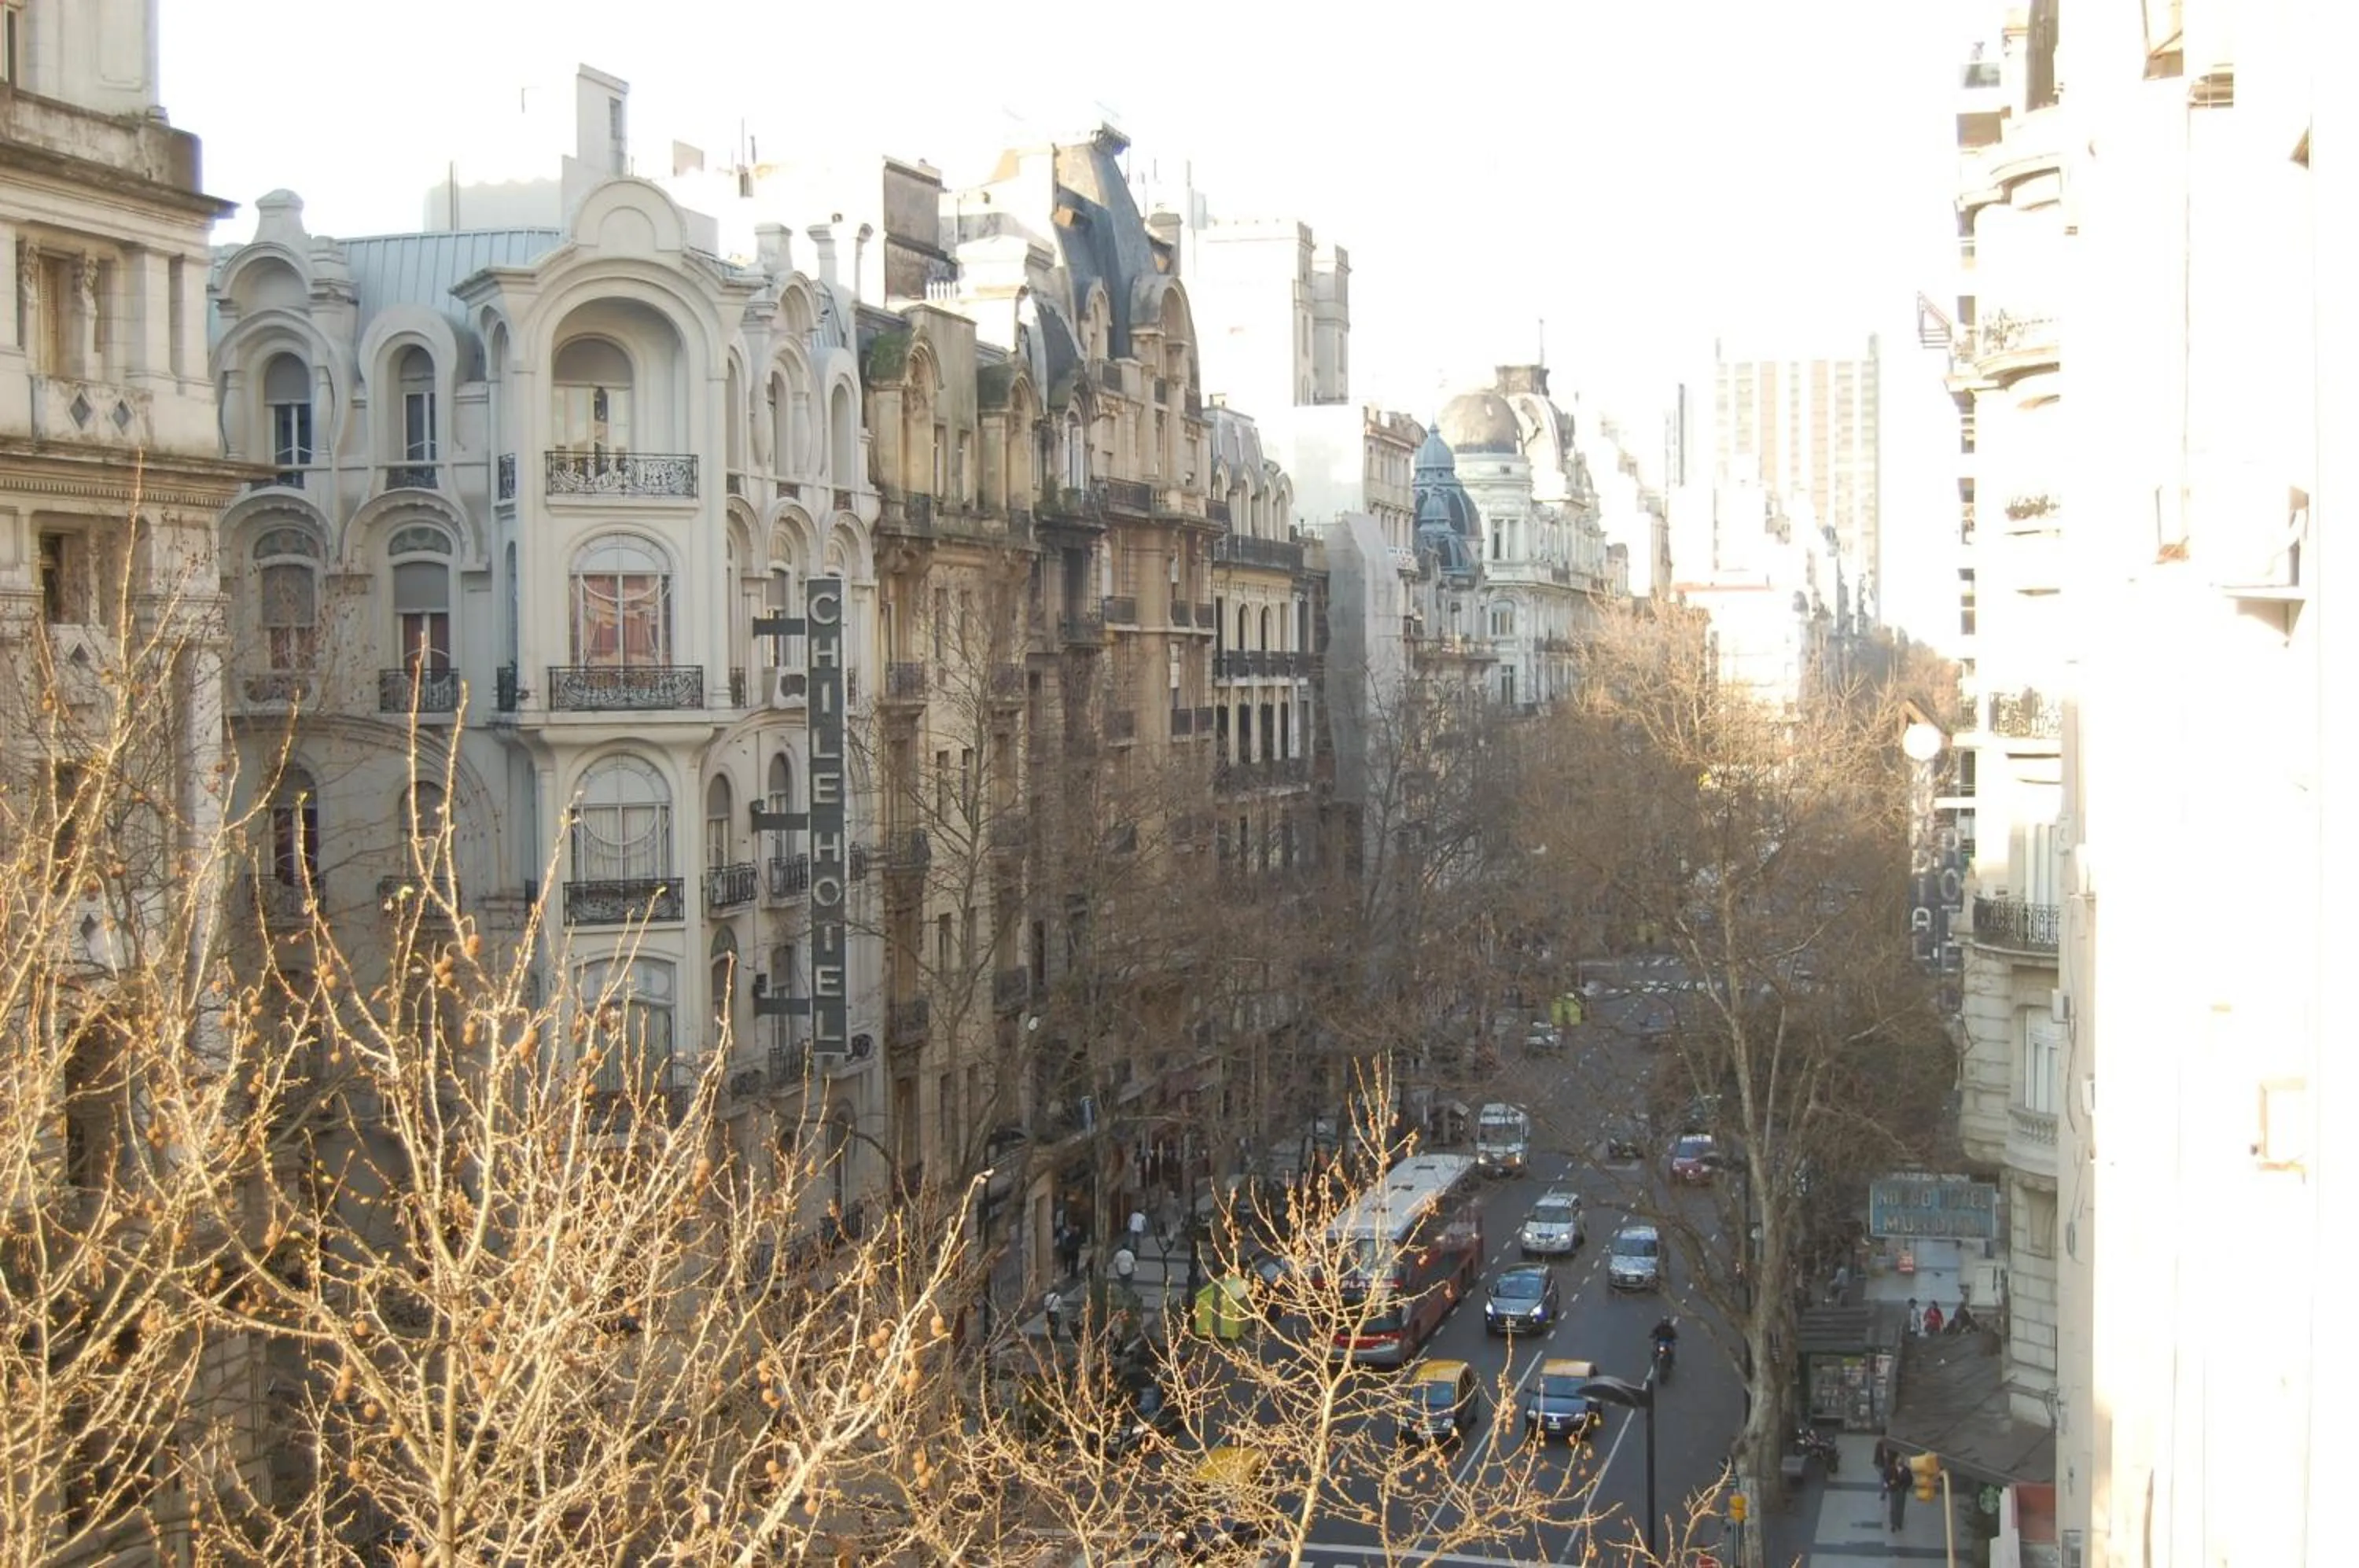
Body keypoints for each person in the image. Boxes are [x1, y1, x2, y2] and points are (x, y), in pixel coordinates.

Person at [1885, 1453, 1912, 1530]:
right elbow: (1886, 1476)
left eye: (1901, 1461)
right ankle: (1893, 1524)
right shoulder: (1891, 1469)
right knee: (1893, 1507)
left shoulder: (1907, 1470)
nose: (1900, 1462)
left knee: (1900, 1507)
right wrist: (1889, 1482)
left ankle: (1899, 1523)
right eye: (1899, 1461)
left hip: (1902, 1491)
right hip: (1893, 1490)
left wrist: (1905, 1487)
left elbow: (1910, 1480)